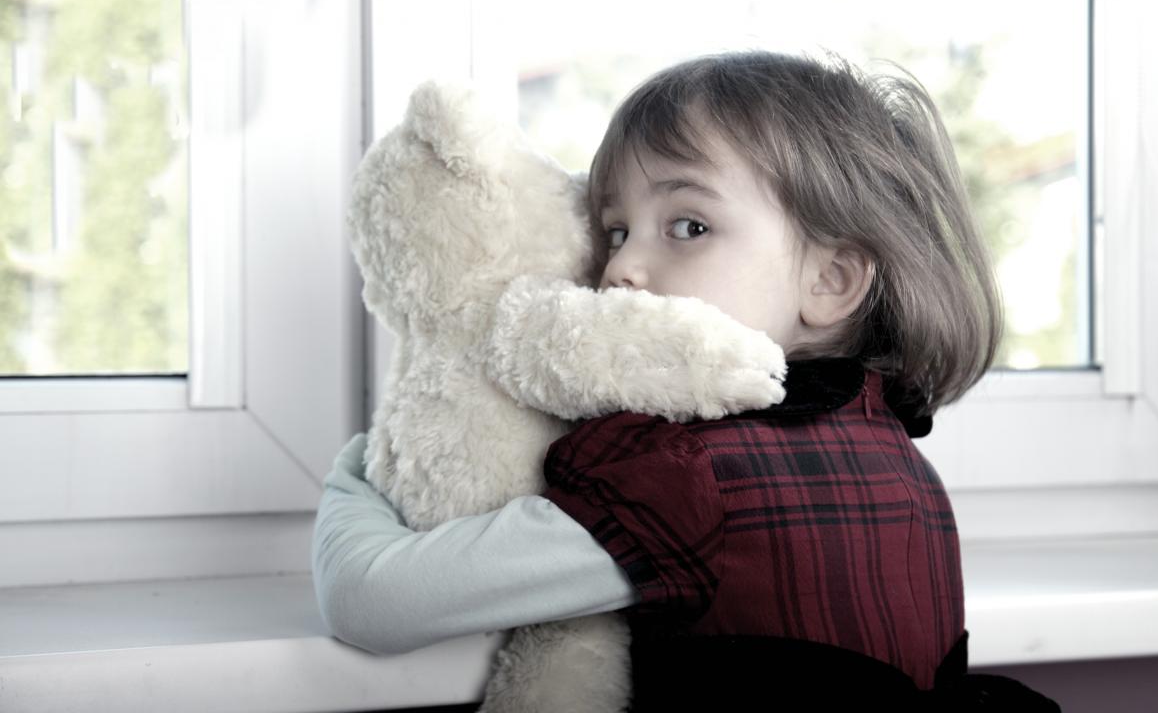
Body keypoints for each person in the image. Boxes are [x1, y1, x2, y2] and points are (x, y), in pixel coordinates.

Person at [312, 52, 1059, 710]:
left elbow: (375, 601)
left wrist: (360, 473)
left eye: (688, 226)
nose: (620, 268)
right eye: (615, 231)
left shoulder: (683, 477)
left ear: (830, 279)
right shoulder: (899, 459)